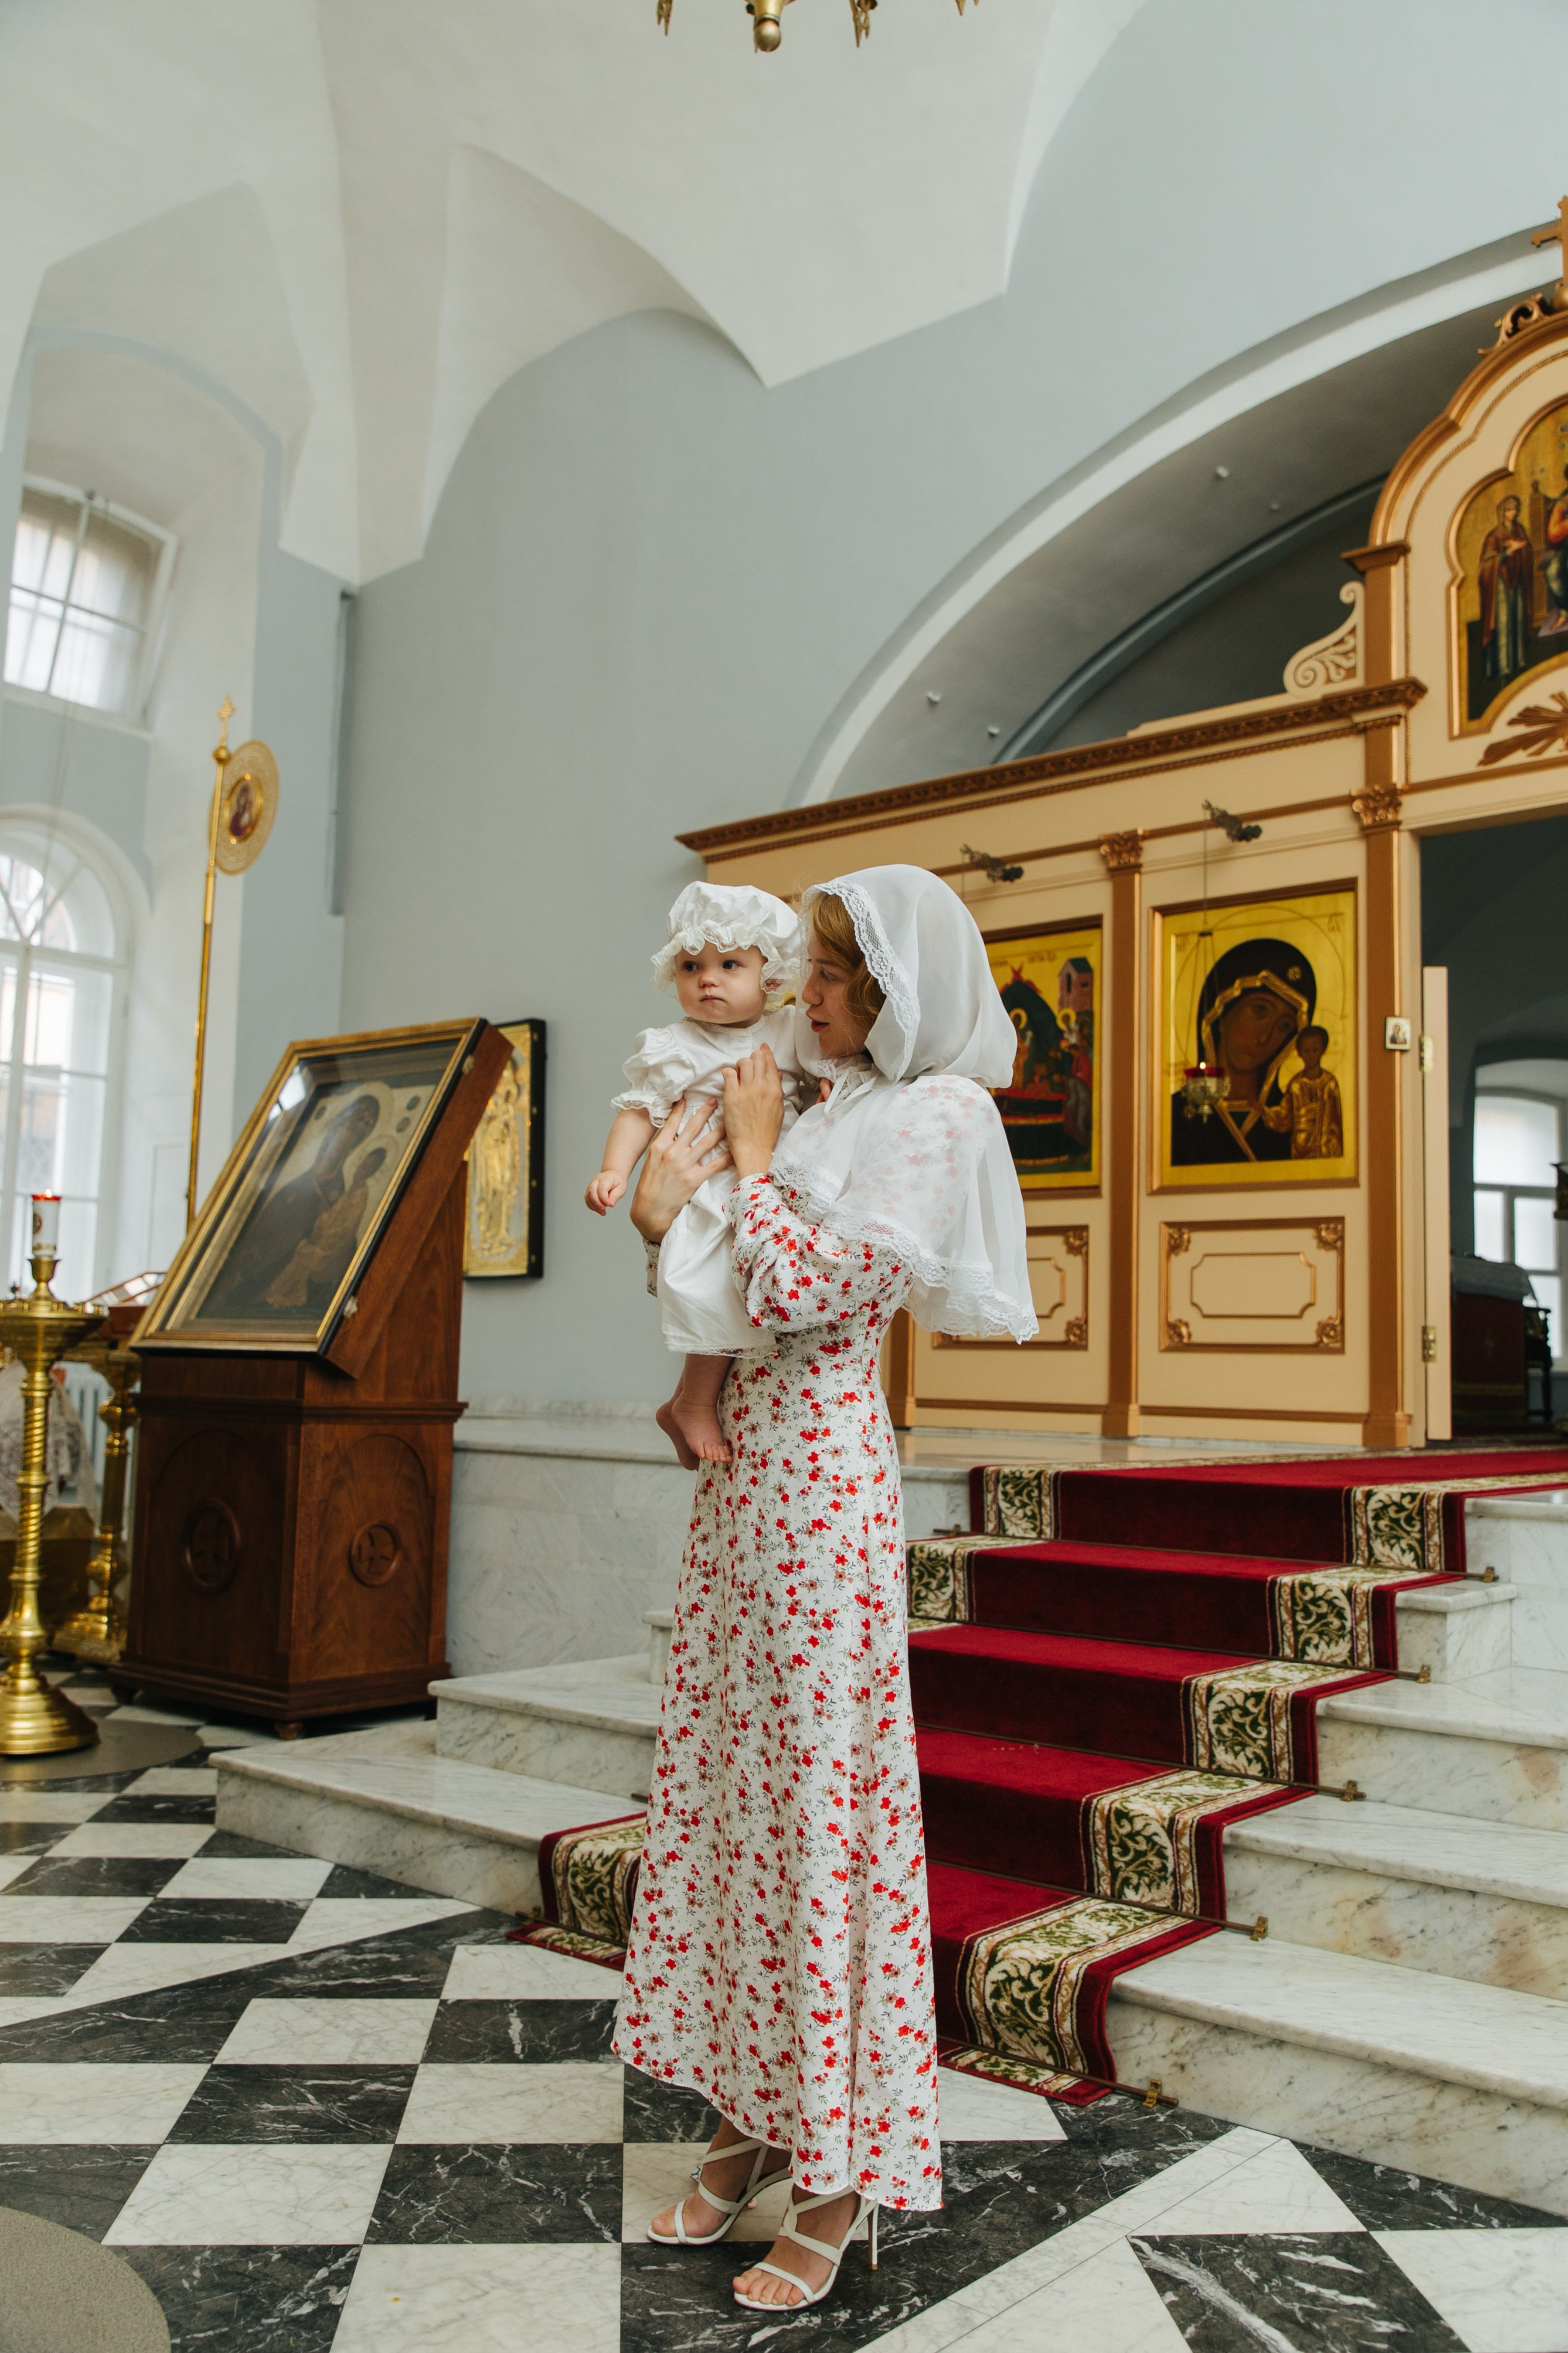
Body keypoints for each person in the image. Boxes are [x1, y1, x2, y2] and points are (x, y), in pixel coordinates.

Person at [615, 865, 1036, 2315]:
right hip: (740, 1471)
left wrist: (738, 1153)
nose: (813, 994)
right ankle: (743, 2112)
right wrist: (667, 1196)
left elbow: (808, 1292)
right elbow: (714, 1272)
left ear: (901, 990)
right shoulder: (812, 1088)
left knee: (814, 1812)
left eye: (842, 975)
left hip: (823, 1477)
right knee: (733, 1797)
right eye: (818, 970)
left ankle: (837, 2171)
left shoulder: (934, 1111)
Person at [585, 881, 804, 1466]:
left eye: (729, 964)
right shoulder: (673, 1046)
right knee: (721, 1292)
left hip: (777, 1189)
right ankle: (696, 1401)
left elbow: (825, 1083)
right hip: (712, 1193)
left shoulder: (794, 1033)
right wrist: (615, 1169)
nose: (707, 978)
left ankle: (685, 1401)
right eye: (691, 966)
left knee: (753, 1294)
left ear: (772, 975)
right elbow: (639, 1112)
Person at [1169, 937, 1315, 1166]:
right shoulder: (1175, 1117)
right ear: (1221, 1012)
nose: (1264, 1037)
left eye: (1283, 1026)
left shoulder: (1289, 1121)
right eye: (1260, 1010)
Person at [1260, 1023, 1343, 1159]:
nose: (1311, 1056)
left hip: (1326, 1147)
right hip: (1301, 1148)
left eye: (1315, 1050)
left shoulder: (1329, 1083)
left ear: (1323, 1050)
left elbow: (1334, 1120)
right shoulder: (1296, 1085)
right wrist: (1264, 1111)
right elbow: (1286, 1117)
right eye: (1306, 1051)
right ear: (1300, 1053)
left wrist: (1330, 1145)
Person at [1479, 491, 1533, 684]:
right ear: (1503, 512)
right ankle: (1503, 667)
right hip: (1500, 584)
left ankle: (1518, 661)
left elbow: (1527, 550)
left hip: (1517, 581)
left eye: (1515, 510)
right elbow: (1486, 564)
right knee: (1503, 624)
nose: (1513, 513)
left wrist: (1523, 549)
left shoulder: (1519, 530)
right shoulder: (1495, 536)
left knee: (1517, 620)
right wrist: (1508, 552)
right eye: (1510, 510)